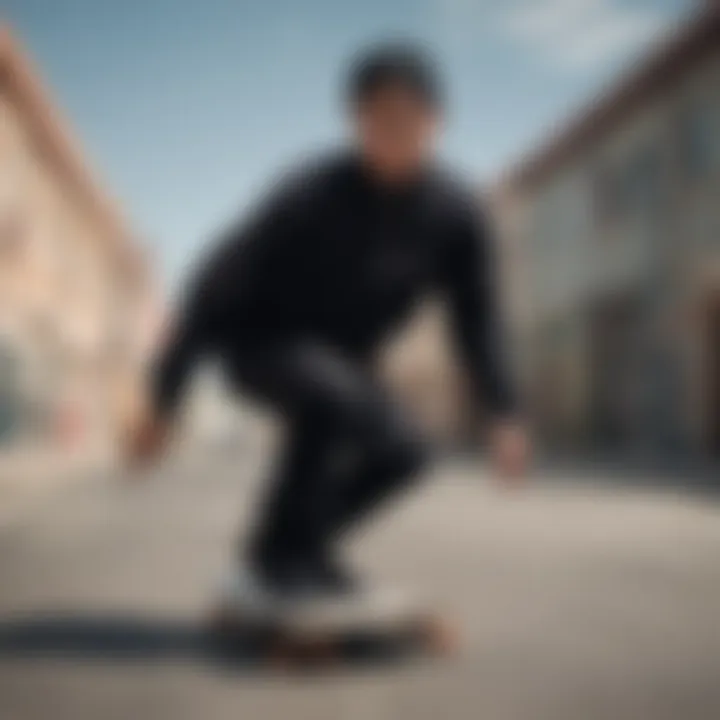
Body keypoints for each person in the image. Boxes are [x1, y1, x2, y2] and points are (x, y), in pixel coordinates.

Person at [129, 43, 529, 610]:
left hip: (339, 364)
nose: (394, 134)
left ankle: (290, 554)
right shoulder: (310, 193)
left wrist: (504, 412)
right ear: (356, 123)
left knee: (407, 451)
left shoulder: (456, 215)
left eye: (409, 119)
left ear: (437, 121)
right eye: (378, 119)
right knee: (330, 397)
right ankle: (284, 556)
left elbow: (478, 317)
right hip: (257, 344)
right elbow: (210, 288)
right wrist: (164, 399)